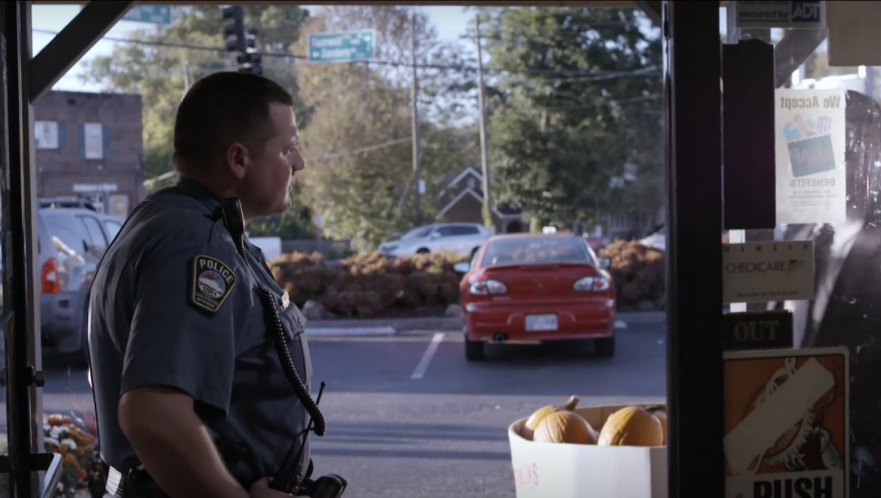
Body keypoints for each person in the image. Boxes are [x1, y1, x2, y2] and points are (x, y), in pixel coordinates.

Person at [88, 71, 318, 498]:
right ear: (238, 159)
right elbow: (152, 413)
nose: (299, 163)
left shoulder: (164, 221)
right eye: (288, 149)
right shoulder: (198, 246)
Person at [778, 90, 881, 497]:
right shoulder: (799, 235)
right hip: (790, 448)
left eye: (852, 149)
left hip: (861, 455)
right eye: (827, 149)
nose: (838, 164)